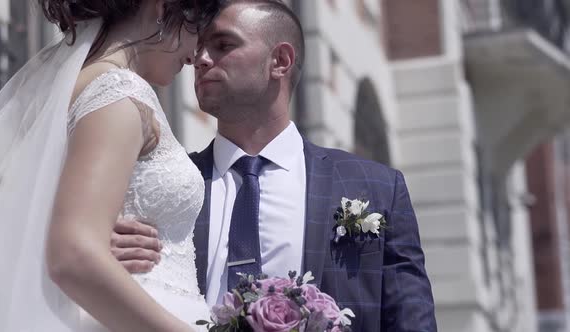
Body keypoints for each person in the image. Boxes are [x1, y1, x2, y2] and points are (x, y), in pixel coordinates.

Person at [113, 0, 438, 331]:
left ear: (280, 61)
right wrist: (109, 251)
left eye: (223, 45)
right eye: (198, 47)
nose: (201, 59)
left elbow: (412, 320)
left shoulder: (376, 187)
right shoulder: (166, 187)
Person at [0, 0, 222, 331]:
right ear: (162, 8)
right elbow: (72, 255)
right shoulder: (119, 92)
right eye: (197, 27)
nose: (196, 54)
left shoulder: (78, 87)